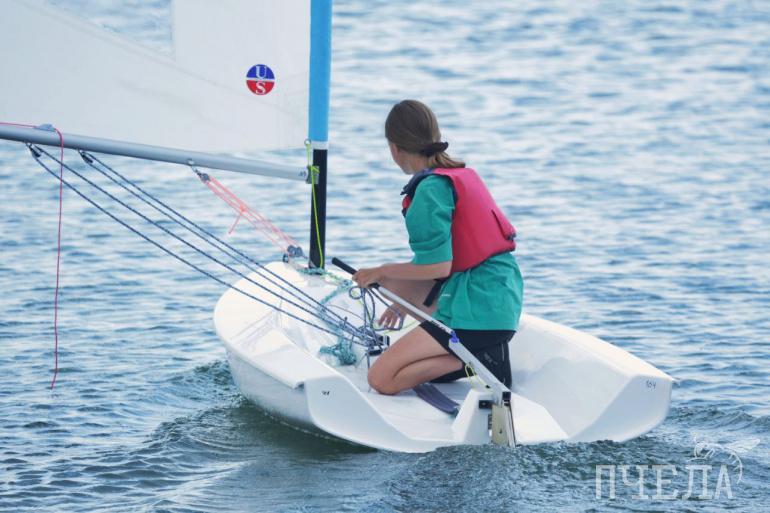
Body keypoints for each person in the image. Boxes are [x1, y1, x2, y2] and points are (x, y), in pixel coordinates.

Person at [352, 99, 524, 395]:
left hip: (478, 310)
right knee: (395, 286)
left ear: (394, 148)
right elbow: (454, 263)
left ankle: (480, 362)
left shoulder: (430, 190)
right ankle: (476, 353)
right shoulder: (458, 175)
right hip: (503, 298)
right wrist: (402, 300)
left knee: (381, 379)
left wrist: (380, 271)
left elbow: (438, 267)